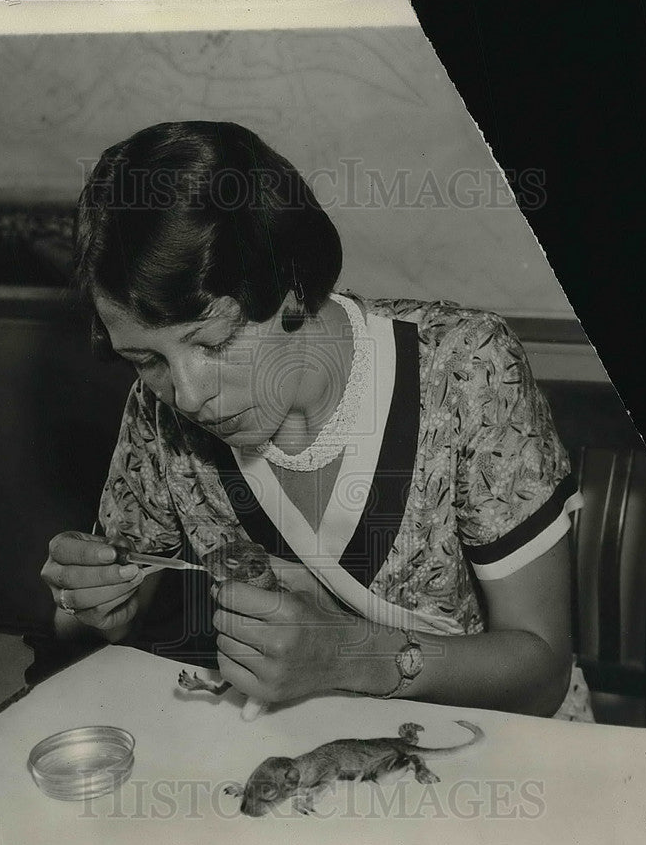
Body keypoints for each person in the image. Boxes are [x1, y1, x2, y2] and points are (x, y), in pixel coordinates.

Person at [41, 120, 593, 722]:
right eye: (147, 359)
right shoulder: (156, 412)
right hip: (304, 758)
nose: (188, 395)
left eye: (216, 342)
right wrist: (93, 603)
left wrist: (346, 655)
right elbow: (106, 618)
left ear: (292, 285)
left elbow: (542, 677)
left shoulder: (465, 372)